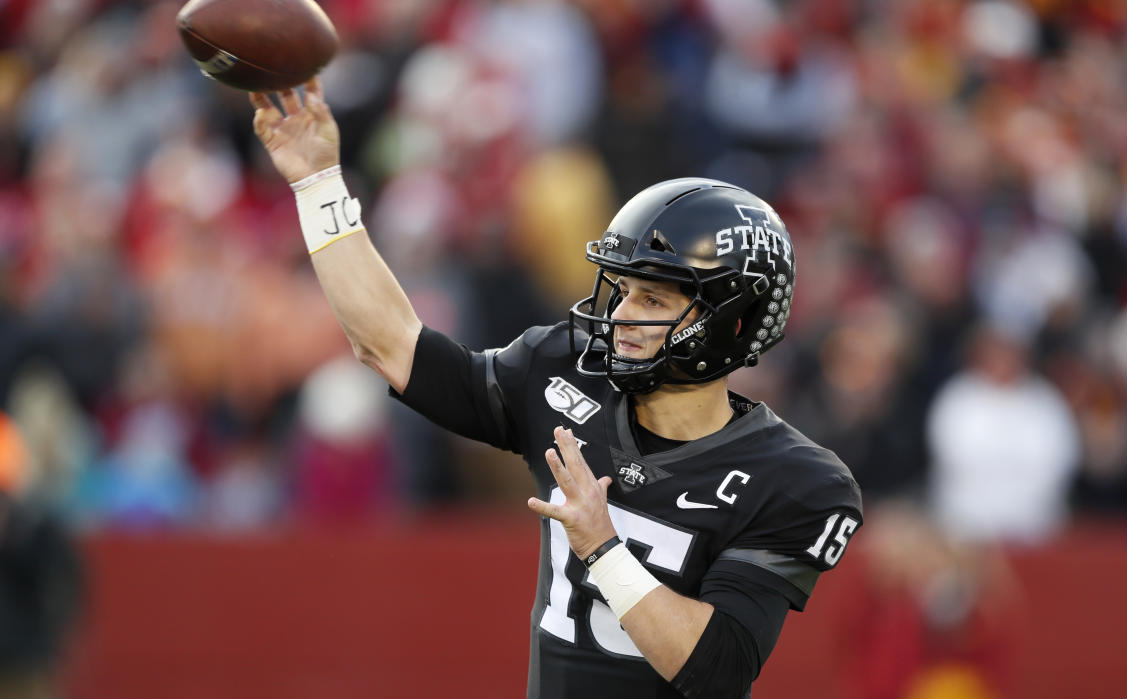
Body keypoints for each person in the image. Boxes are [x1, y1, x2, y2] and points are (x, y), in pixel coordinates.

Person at [250, 79, 863, 699]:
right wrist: (317, 182)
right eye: (622, 290)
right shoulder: (567, 370)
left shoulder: (799, 483)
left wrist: (604, 548)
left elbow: (718, 668)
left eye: (652, 298)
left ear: (730, 321)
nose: (622, 315)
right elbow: (390, 344)